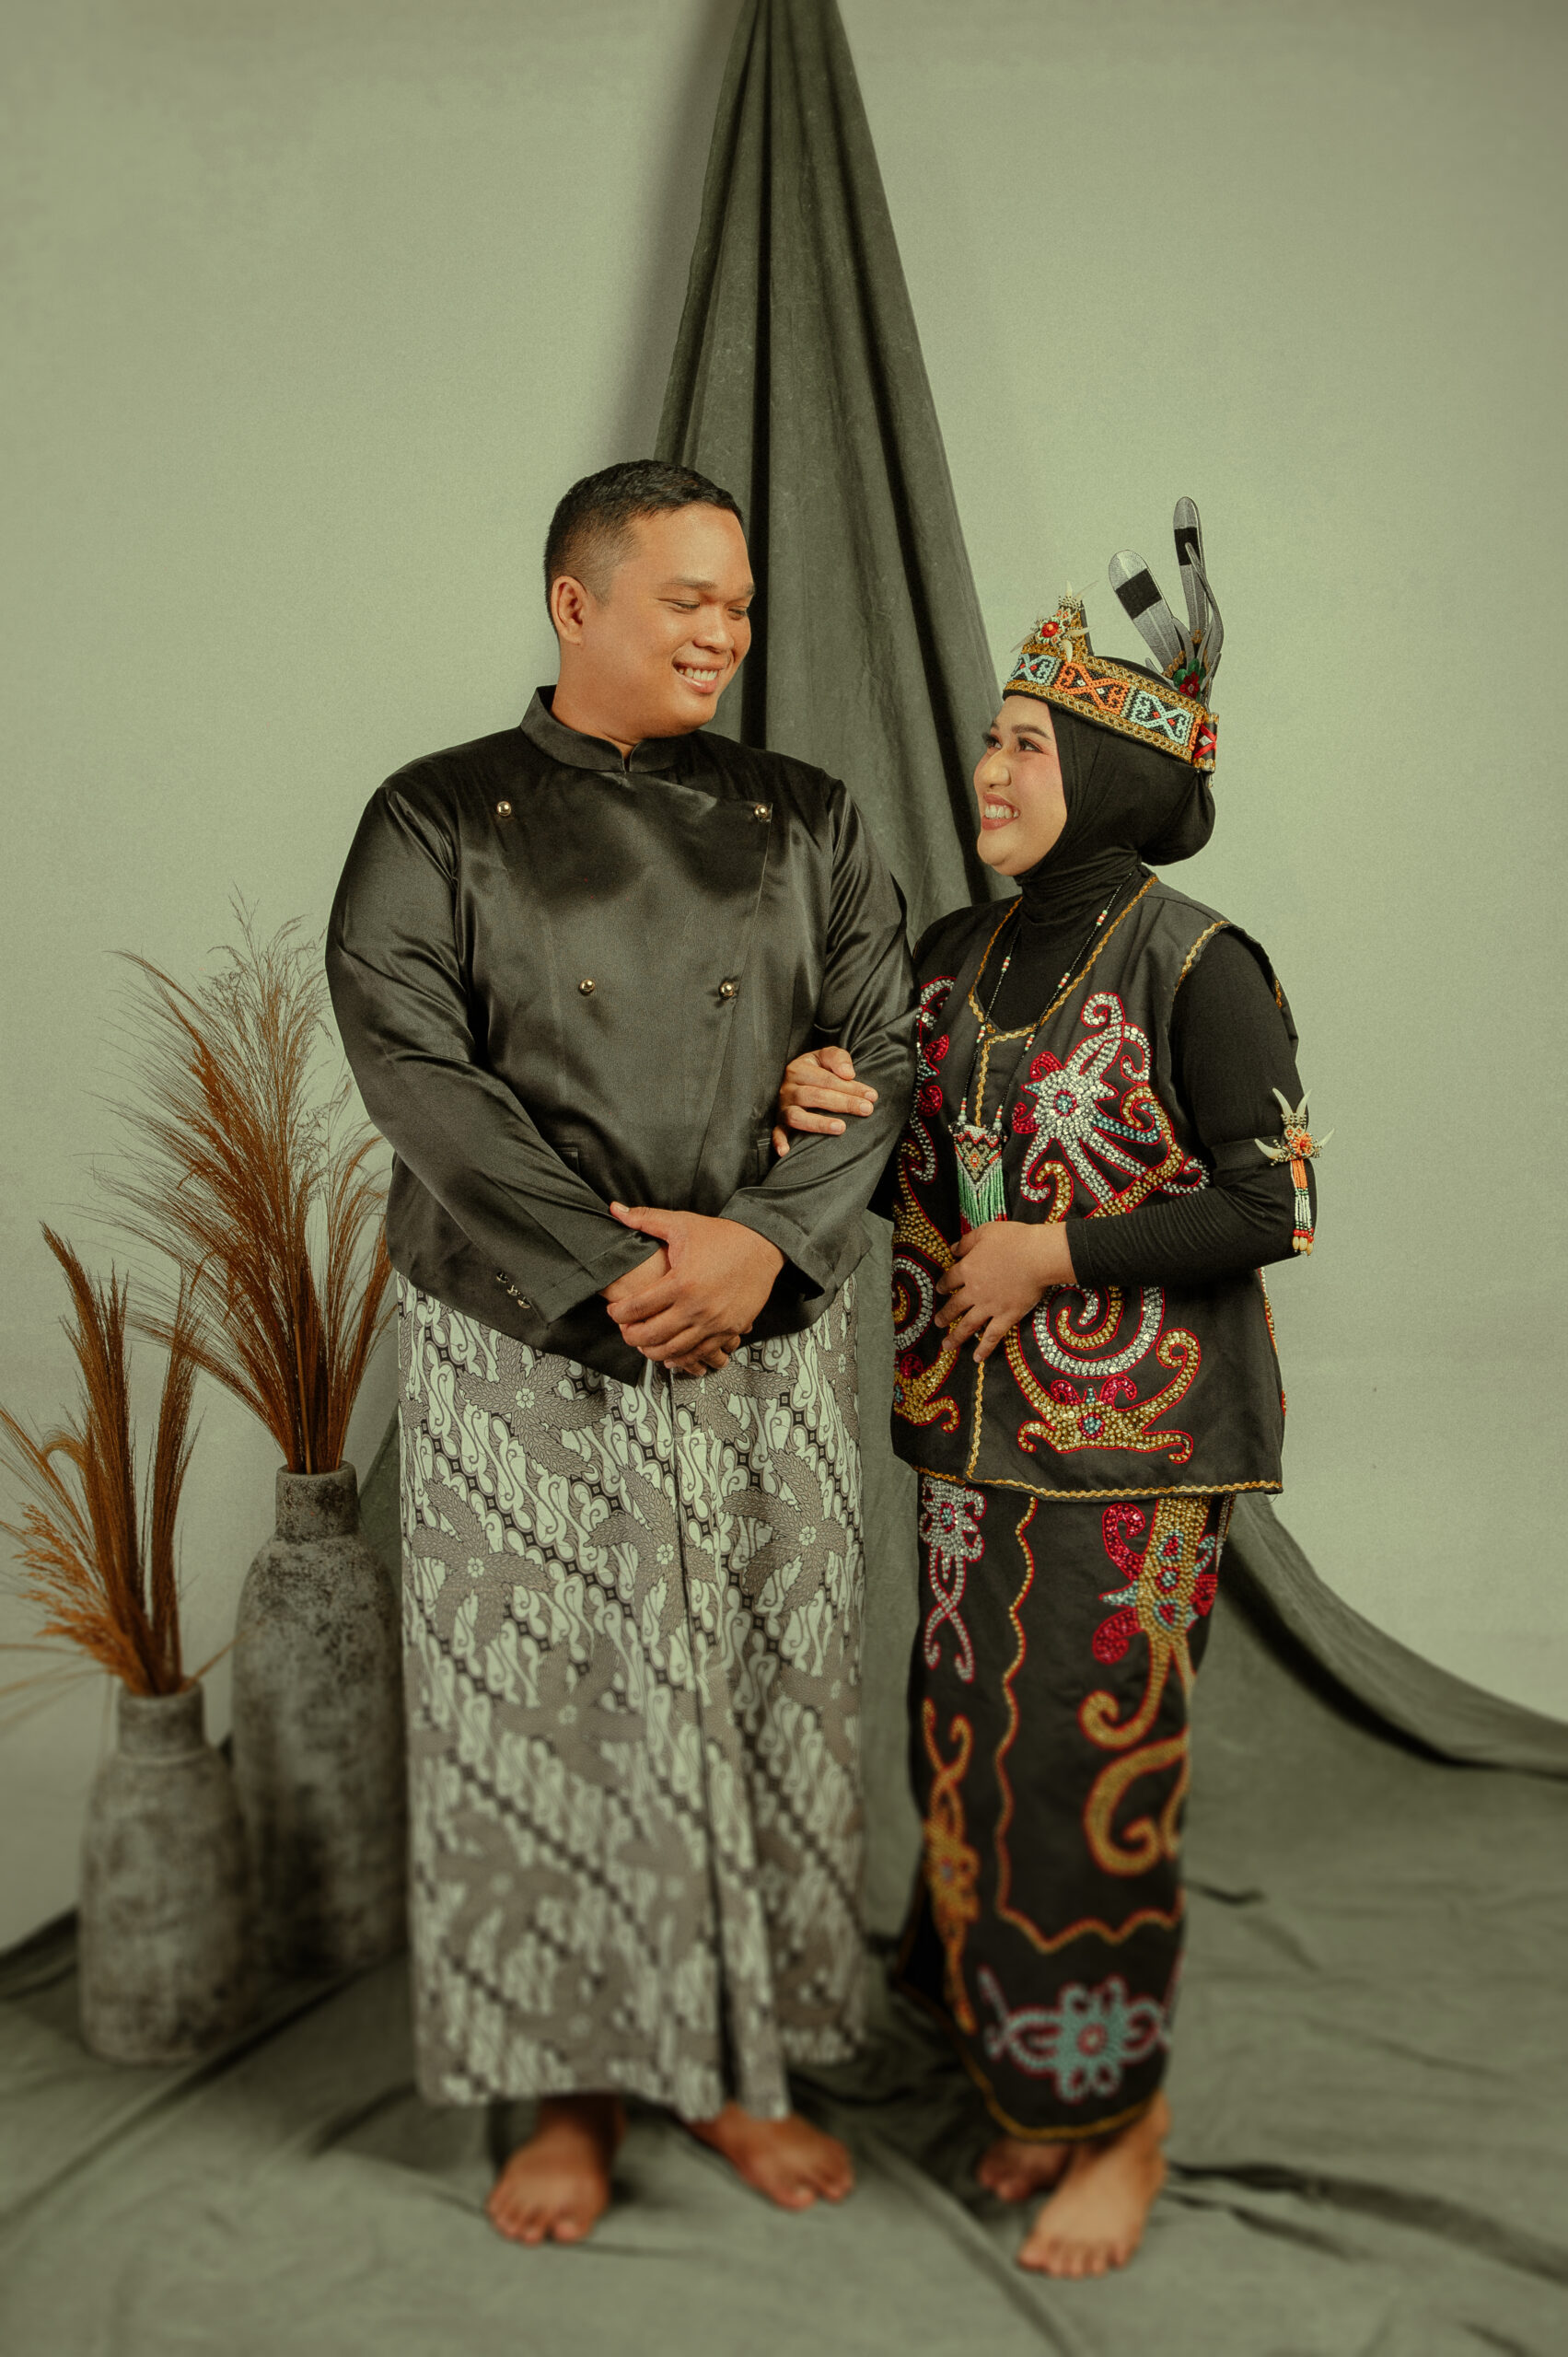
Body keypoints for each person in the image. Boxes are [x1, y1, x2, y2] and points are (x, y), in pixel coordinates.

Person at [326, 459, 916, 2246]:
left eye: (739, 603)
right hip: (522, 1334)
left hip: (765, 1328)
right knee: (545, 1710)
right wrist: (611, 1267)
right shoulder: (436, 815)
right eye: (688, 600)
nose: (725, 632)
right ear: (574, 603)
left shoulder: (808, 814)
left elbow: (883, 1041)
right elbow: (412, 1065)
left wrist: (766, 1240)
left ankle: (740, 2066)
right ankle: (565, 2091)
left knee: (765, 1691)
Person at [777, 505, 1324, 2279]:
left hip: (1135, 1466)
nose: (989, 769)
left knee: (1094, 1777)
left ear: (1105, 774)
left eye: (1025, 744)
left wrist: (1059, 1257)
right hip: (969, 1447)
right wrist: (820, 1109)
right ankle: (1030, 2086)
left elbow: (1274, 1204)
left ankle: (1122, 2125)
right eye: (995, 738)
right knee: (969, 1769)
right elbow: (913, 1169)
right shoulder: (952, 956)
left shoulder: (1203, 963)